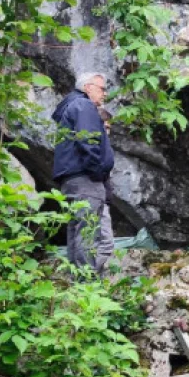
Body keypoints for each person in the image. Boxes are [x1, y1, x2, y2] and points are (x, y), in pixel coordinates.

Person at [52, 72, 115, 275]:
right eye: (101, 88)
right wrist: (97, 172)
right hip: (85, 178)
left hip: (71, 179)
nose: (105, 93)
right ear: (88, 87)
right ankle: (86, 282)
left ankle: (77, 280)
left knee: (76, 230)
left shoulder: (70, 108)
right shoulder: (84, 105)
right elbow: (88, 141)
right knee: (89, 231)